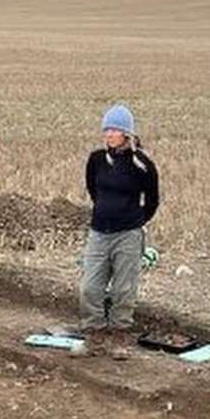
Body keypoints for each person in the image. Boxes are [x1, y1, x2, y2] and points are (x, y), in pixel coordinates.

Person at [79, 103, 159, 359]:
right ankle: (94, 336)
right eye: (106, 129)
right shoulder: (97, 160)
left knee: (123, 290)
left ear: (127, 133)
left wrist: (134, 220)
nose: (109, 134)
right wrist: (104, 211)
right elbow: (93, 189)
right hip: (99, 232)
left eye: (114, 129)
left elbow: (153, 199)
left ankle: (119, 337)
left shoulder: (142, 165)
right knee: (90, 288)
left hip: (128, 234)